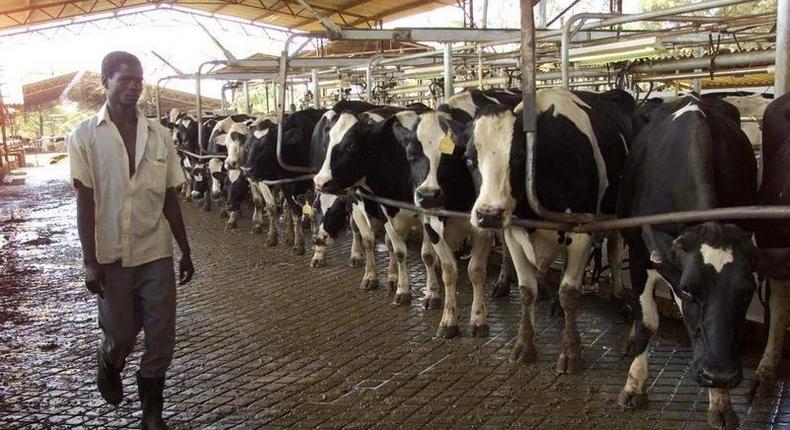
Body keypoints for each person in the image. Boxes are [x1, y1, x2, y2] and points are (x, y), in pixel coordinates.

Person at [68, 51, 194, 430]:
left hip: (154, 248)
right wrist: (89, 260)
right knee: (121, 333)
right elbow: (85, 199)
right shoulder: (85, 135)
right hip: (110, 252)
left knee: (161, 335)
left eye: (138, 79)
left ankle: (152, 416)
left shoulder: (159, 135)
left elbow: (170, 196)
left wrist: (185, 249)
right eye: (125, 79)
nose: (134, 85)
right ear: (104, 82)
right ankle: (110, 359)